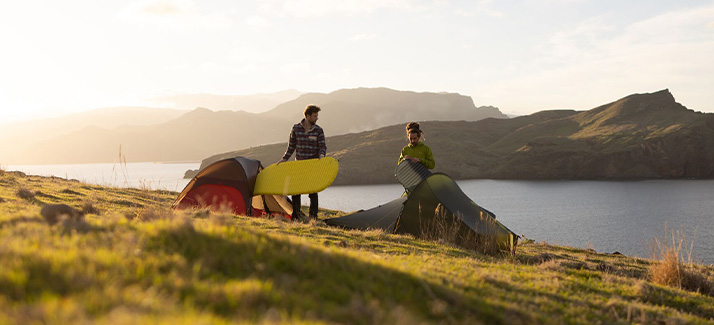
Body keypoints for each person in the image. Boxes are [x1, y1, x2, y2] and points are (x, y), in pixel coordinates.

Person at [278, 104, 326, 221]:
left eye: (317, 116)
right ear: (308, 116)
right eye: (315, 116)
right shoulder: (296, 128)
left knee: (313, 193)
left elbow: (322, 146)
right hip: (298, 165)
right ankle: (296, 216)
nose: (317, 118)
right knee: (296, 192)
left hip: (312, 166)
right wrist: (284, 159)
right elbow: (291, 146)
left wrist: (322, 155)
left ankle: (313, 218)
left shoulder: (319, 130)